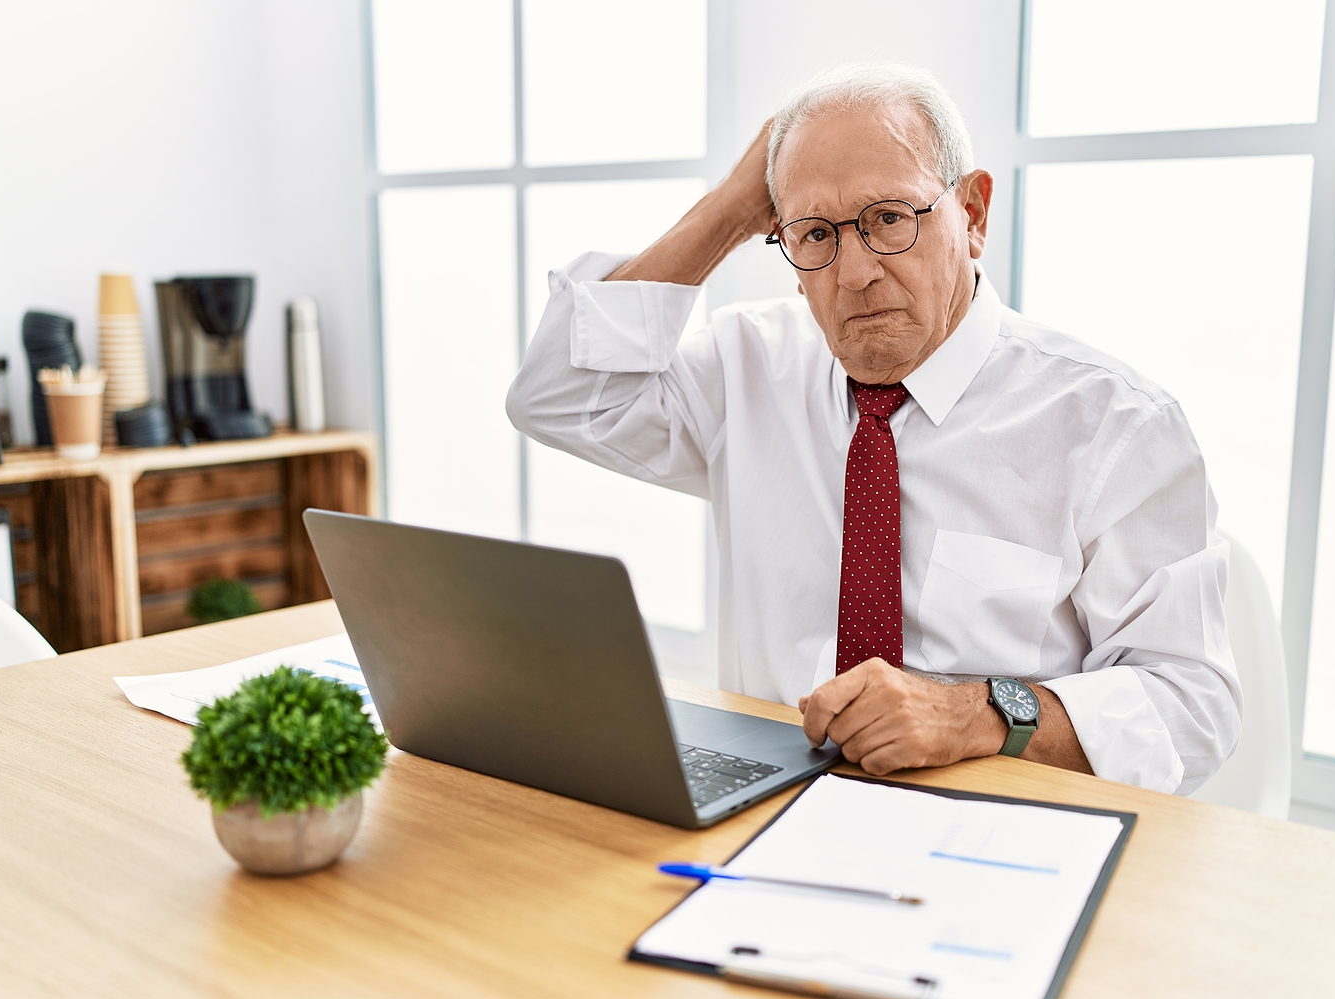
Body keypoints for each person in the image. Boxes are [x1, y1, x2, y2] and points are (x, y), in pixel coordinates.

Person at [507, 62, 1239, 793]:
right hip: (762, 808)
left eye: (889, 218)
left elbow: (1193, 705)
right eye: (816, 233)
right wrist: (732, 210)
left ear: (974, 216)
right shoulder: (747, 369)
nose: (854, 272)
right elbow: (560, 396)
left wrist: (979, 713)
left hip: (997, 825)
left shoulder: (1114, 425)